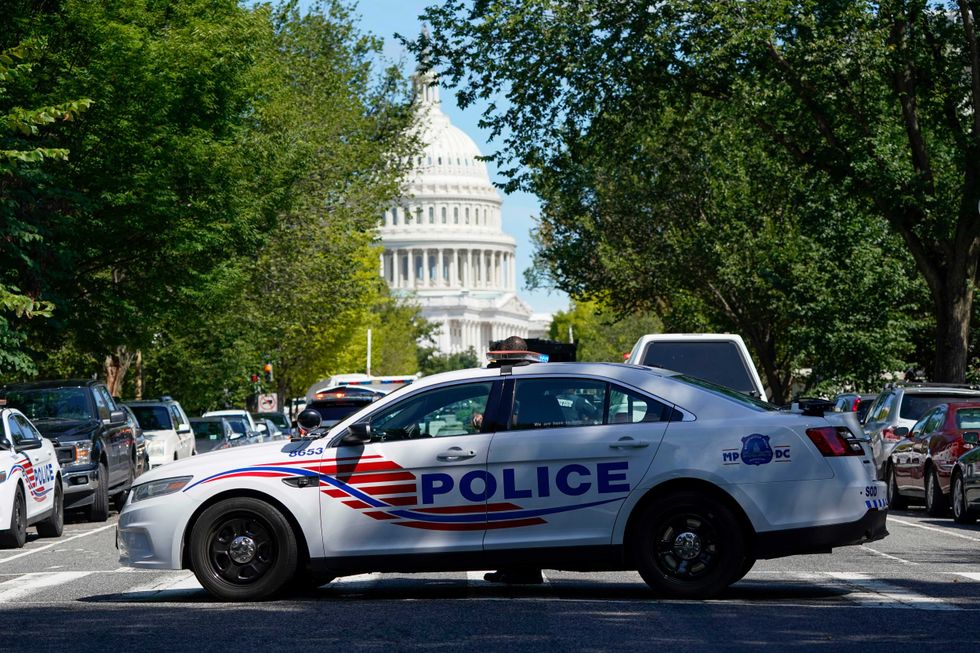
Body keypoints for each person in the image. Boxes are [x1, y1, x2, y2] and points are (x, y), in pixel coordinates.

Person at [483, 335, 544, 585]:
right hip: (523, 453)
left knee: (515, 513)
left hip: (522, 456)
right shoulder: (532, 376)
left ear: (508, 353)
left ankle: (523, 570)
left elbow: (523, 418)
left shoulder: (517, 377)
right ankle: (512, 567)